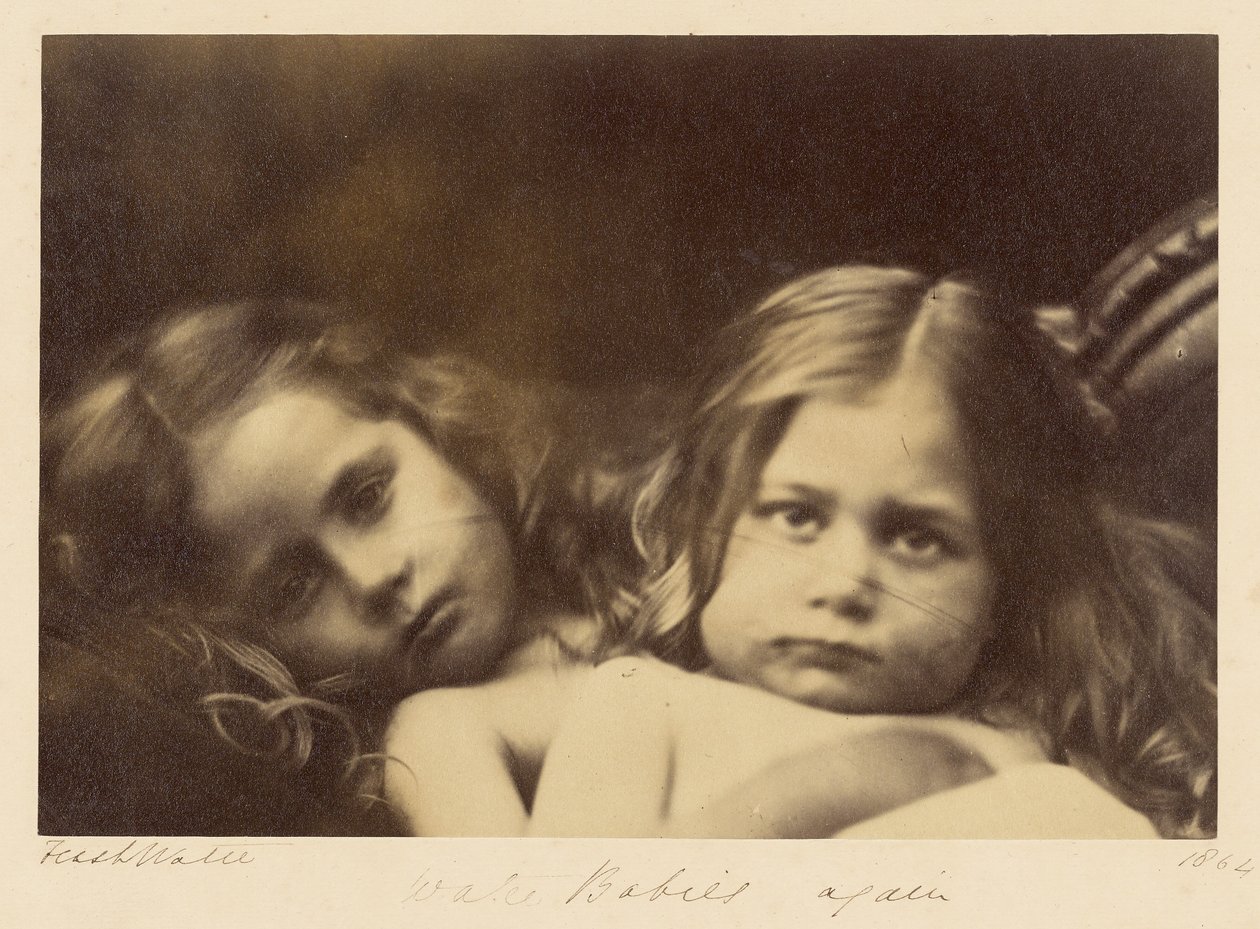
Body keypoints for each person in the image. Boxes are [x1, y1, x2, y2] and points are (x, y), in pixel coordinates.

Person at [386, 266, 1214, 839]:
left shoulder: (1004, 750)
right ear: (704, 524)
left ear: (1006, 585)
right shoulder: (643, 699)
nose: (844, 582)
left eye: (918, 537)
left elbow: (925, 769)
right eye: (796, 517)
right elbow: (435, 725)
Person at [40, 298, 613, 834]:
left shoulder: (633, 530)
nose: (373, 580)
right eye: (294, 588)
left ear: (426, 423)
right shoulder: (434, 747)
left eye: (367, 498)